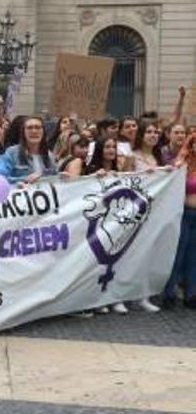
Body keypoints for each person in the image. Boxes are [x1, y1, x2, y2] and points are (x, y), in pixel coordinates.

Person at [84, 135, 128, 315]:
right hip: (98, 222)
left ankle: (114, 297)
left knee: (117, 260)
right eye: (107, 146)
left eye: (113, 147)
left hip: (116, 222)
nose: (111, 150)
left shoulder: (119, 169)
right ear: (100, 150)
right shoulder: (91, 169)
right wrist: (93, 177)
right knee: (97, 263)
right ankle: (96, 299)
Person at [163, 133, 196, 310]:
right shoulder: (183, 164)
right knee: (179, 254)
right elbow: (172, 173)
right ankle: (169, 293)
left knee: (194, 256)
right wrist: (181, 159)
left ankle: (191, 295)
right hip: (185, 213)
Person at [0, 116, 58, 185]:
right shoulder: (12, 153)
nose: (34, 131)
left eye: (37, 127)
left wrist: (61, 177)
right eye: (29, 128)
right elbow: (0, 178)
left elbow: (54, 178)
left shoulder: (49, 155)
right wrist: (23, 180)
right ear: (23, 132)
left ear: (43, 131)